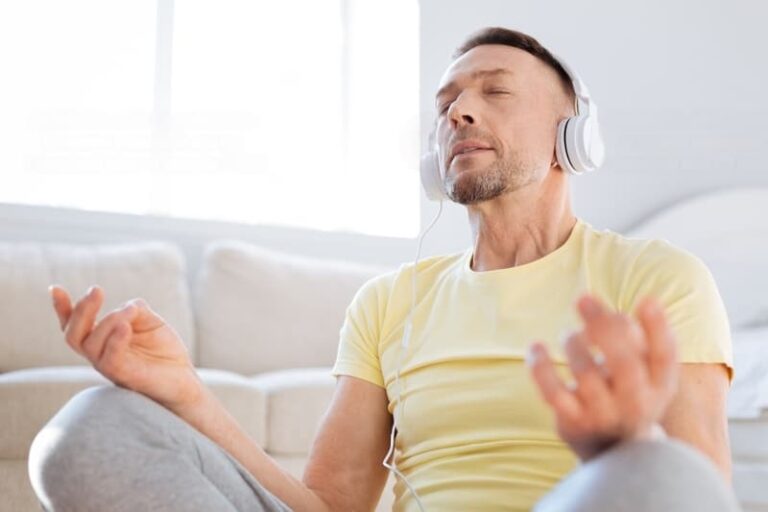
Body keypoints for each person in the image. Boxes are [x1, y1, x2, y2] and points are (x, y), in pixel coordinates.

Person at [29, 27, 741, 512]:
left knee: (664, 475)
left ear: (573, 138)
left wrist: (627, 445)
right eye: (447, 104)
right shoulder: (390, 301)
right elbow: (328, 507)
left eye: (494, 92)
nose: (460, 110)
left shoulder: (658, 278)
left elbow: (700, 486)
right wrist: (185, 395)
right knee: (94, 427)